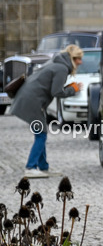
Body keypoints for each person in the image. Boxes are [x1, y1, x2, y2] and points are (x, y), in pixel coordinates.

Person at [10, 45, 83, 178]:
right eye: (78, 59)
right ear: (72, 58)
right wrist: (73, 89)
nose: (80, 62)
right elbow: (56, 92)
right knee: (41, 135)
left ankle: (43, 167)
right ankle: (30, 167)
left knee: (40, 133)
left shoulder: (55, 63)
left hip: (29, 99)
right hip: (32, 102)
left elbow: (53, 88)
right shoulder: (62, 68)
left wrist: (68, 88)